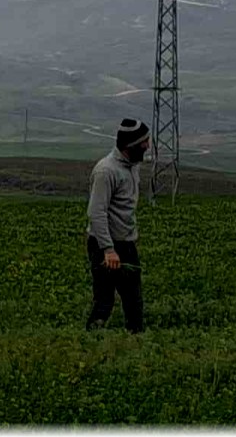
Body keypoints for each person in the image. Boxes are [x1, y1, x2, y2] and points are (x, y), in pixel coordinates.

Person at [85, 118, 150, 333]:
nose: (148, 146)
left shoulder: (132, 166)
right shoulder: (106, 171)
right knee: (104, 301)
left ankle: (136, 343)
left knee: (134, 302)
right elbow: (96, 213)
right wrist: (108, 249)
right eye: (144, 142)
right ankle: (91, 341)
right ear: (130, 146)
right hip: (107, 247)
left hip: (127, 244)